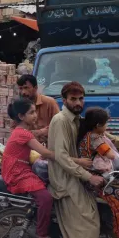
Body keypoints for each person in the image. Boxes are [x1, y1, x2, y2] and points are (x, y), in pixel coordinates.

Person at [48, 82, 104, 238]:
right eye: (73, 99)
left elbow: (102, 135)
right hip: (65, 179)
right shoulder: (60, 120)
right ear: (64, 100)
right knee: (86, 228)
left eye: (81, 98)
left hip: (76, 176)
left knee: (93, 214)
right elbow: (61, 156)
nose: (78, 103)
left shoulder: (79, 120)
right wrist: (89, 177)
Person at [1, 98, 55, 238]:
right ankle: (41, 234)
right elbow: (46, 153)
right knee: (46, 199)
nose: (35, 115)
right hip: (17, 172)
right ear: (21, 116)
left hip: (20, 167)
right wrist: (72, 160)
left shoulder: (23, 131)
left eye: (35, 111)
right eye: (31, 112)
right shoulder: (23, 133)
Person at [78, 107, 119, 237]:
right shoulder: (96, 139)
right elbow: (112, 155)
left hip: (100, 175)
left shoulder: (91, 134)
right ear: (98, 125)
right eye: (106, 123)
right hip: (97, 180)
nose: (107, 126)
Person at [15, 75, 60, 143]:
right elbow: (13, 129)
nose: (23, 92)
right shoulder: (19, 105)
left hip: (48, 146)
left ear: (35, 88)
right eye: (20, 88)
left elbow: (59, 125)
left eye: (26, 88)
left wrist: (41, 132)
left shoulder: (49, 103)